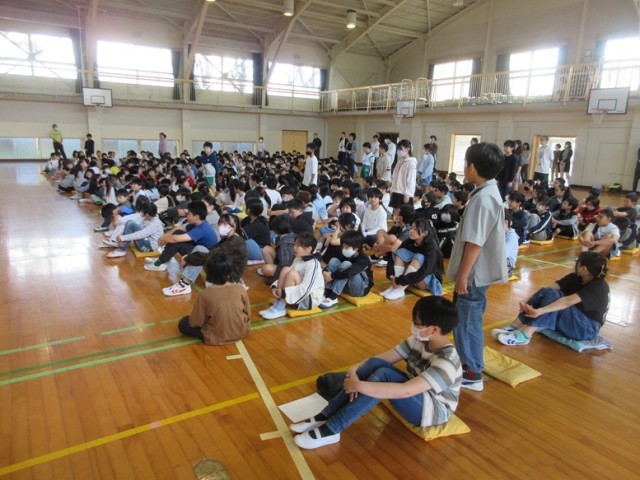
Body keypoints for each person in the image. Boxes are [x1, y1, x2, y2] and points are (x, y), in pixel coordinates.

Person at [290, 296, 461, 450]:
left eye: (417, 323)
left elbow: (406, 391)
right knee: (375, 365)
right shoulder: (419, 340)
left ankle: (332, 429)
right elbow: (381, 358)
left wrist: (358, 385)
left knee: (385, 375)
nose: (413, 326)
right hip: (417, 392)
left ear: (434, 330)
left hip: (432, 411)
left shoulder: (447, 362)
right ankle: (325, 415)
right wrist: (353, 371)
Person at [447, 142, 507, 392]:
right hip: (476, 273)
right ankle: (469, 363)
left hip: (473, 274)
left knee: (467, 321)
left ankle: (472, 372)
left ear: (472, 167)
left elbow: (475, 243)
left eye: (465, 163)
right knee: (468, 318)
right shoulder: (487, 191)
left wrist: (463, 276)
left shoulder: (483, 199)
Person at [493, 252, 609, 346]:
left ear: (583, 269)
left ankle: (526, 335)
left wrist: (540, 311)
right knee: (549, 292)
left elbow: (566, 302)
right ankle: (516, 325)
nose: (575, 264)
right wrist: (526, 301)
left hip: (586, 329)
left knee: (555, 298)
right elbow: (548, 289)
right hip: (574, 319)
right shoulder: (575, 277)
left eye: (577, 262)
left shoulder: (599, 286)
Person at [177, 249, 251, 345]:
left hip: (216, 336)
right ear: (229, 271)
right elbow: (248, 314)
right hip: (242, 332)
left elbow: (195, 322)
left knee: (183, 323)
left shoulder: (205, 294)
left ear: (207, 271)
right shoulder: (240, 288)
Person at [259, 233, 325, 320]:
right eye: (295, 245)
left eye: (298, 246)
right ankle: (277, 304)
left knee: (292, 274)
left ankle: (280, 307)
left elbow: (306, 289)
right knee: (285, 269)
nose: (294, 248)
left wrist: (284, 293)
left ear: (309, 249)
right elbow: (285, 275)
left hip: (309, 300)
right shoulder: (298, 258)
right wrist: (275, 287)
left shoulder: (313, 264)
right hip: (295, 295)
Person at [145, 201, 219, 272]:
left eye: (189, 214)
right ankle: (162, 259)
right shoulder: (198, 223)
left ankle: (160, 263)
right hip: (196, 250)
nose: (187, 216)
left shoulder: (202, 229)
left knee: (177, 241)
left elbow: (177, 239)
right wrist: (164, 236)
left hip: (203, 258)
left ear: (196, 216)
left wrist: (163, 238)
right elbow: (178, 229)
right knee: (178, 233)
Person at [381, 217, 444, 300]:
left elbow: (423, 272)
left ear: (425, 233)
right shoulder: (409, 242)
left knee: (419, 256)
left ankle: (399, 289)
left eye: (415, 229)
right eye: (411, 228)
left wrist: (400, 281)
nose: (411, 231)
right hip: (412, 278)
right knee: (400, 252)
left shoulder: (430, 248)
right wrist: (391, 275)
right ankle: (394, 287)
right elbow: (393, 257)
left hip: (424, 280)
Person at [319, 231, 373, 308]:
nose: (344, 249)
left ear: (356, 248)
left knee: (346, 265)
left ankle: (333, 297)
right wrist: (324, 272)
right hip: (347, 287)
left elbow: (349, 272)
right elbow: (332, 267)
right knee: (334, 261)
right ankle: (327, 292)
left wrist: (331, 275)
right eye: (343, 247)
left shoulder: (363, 258)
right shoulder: (346, 255)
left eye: (346, 247)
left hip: (360, 290)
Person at [389, 139, 417, 215]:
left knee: (403, 214)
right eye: (398, 149)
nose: (398, 151)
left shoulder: (411, 163)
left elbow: (411, 180)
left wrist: (408, 194)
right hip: (396, 190)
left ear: (408, 149)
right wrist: (392, 189)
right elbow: (394, 176)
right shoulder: (400, 161)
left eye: (400, 149)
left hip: (403, 193)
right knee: (395, 213)